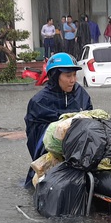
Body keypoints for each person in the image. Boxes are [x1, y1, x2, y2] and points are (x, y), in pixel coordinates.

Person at [24, 52, 93, 187]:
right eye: (68, 76)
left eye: (74, 75)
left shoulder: (81, 94)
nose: (73, 80)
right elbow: (35, 138)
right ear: (55, 77)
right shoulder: (39, 101)